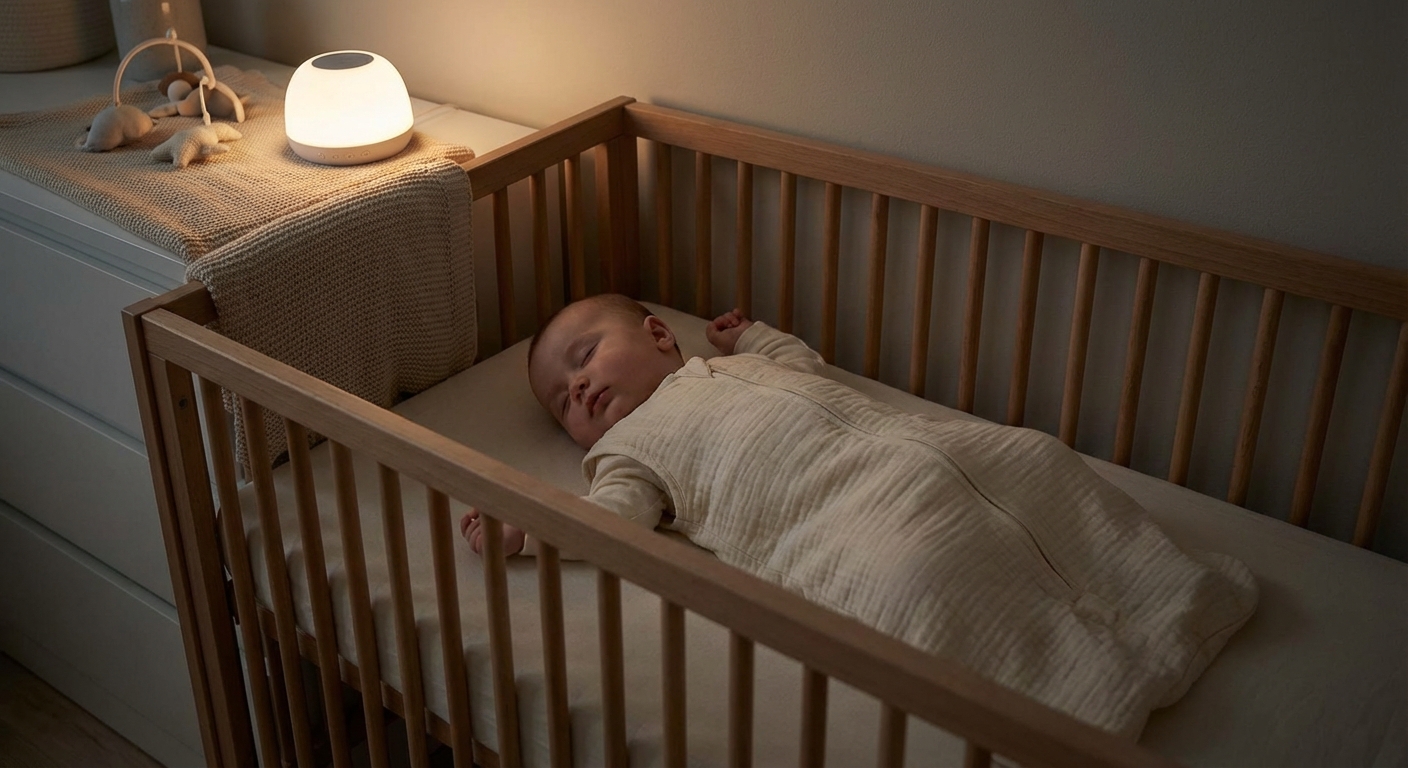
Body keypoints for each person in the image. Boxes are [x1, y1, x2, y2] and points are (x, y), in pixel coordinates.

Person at [459, 293, 1256, 735]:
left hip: (920, 454)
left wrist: (750, 336)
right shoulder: (628, 451)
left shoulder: (724, 368)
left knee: (1035, 458)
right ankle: (1081, 703)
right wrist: (523, 529)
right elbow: (612, 521)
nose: (578, 389)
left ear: (661, 334)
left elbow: (799, 363)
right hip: (842, 517)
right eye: (562, 402)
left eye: (584, 358)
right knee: (918, 576)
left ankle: (1170, 595)